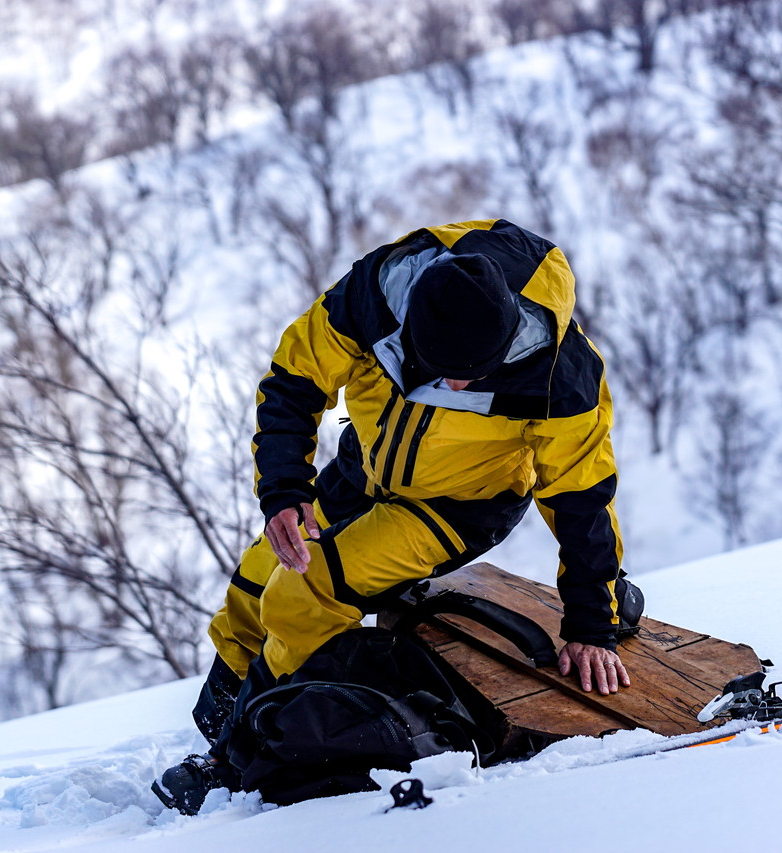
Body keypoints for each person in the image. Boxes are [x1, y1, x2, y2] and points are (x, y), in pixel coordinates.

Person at [153, 219, 631, 813]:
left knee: (306, 587)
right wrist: (282, 491)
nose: (456, 382)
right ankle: (220, 726)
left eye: (473, 374)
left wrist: (591, 625)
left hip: (457, 506)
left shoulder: (560, 373)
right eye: (441, 367)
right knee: (256, 579)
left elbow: (582, 496)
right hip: (363, 469)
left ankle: (234, 763)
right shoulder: (374, 294)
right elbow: (293, 381)